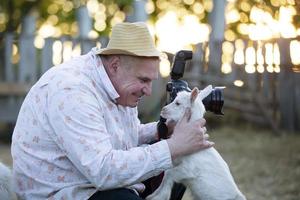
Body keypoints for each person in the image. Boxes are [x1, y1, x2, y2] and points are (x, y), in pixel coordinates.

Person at [11, 22, 214, 200]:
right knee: (174, 155)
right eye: (143, 80)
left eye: (151, 81)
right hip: (63, 192)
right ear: (115, 65)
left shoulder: (117, 86)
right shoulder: (73, 90)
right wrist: (173, 146)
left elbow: (124, 136)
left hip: (94, 183)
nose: (148, 90)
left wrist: (162, 131)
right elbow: (103, 170)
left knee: (182, 165)